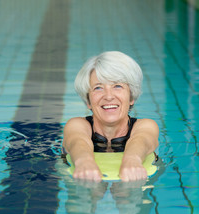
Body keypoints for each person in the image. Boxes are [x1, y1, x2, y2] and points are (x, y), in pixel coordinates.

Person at [62, 51, 159, 182]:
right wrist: (84, 161)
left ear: (131, 97)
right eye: (98, 88)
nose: (108, 96)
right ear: (88, 101)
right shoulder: (77, 125)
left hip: (135, 177)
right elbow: (78, 141)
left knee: (128, 191)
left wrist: (132, 160)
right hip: (81, 176)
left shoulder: (145, 126)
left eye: (117, 86)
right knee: (88, 190)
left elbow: (142, 140)